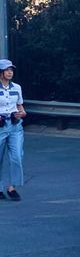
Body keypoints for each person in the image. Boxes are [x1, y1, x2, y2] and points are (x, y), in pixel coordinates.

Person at [0, 58, 26, 201]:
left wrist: (22, 113)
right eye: (7, 70)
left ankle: (12, 187)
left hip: (15, 125)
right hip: (0, 126)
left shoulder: (17, 87)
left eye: (11, 70)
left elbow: (20, 105)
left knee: (17, 157)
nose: (10, 72)